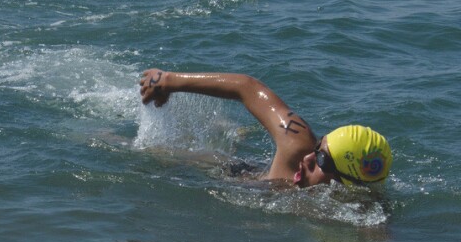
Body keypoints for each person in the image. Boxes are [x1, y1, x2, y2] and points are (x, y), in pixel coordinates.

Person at [139, 68, 391, 188]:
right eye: (318, 148)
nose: (308, 158)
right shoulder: (298, 145)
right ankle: (232, 131)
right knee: (151, 153)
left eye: (322, 160)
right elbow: (247, 88)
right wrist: (170, 81)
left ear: (345, 183)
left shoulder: (356, 213)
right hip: (239, 174)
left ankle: (235, 132)